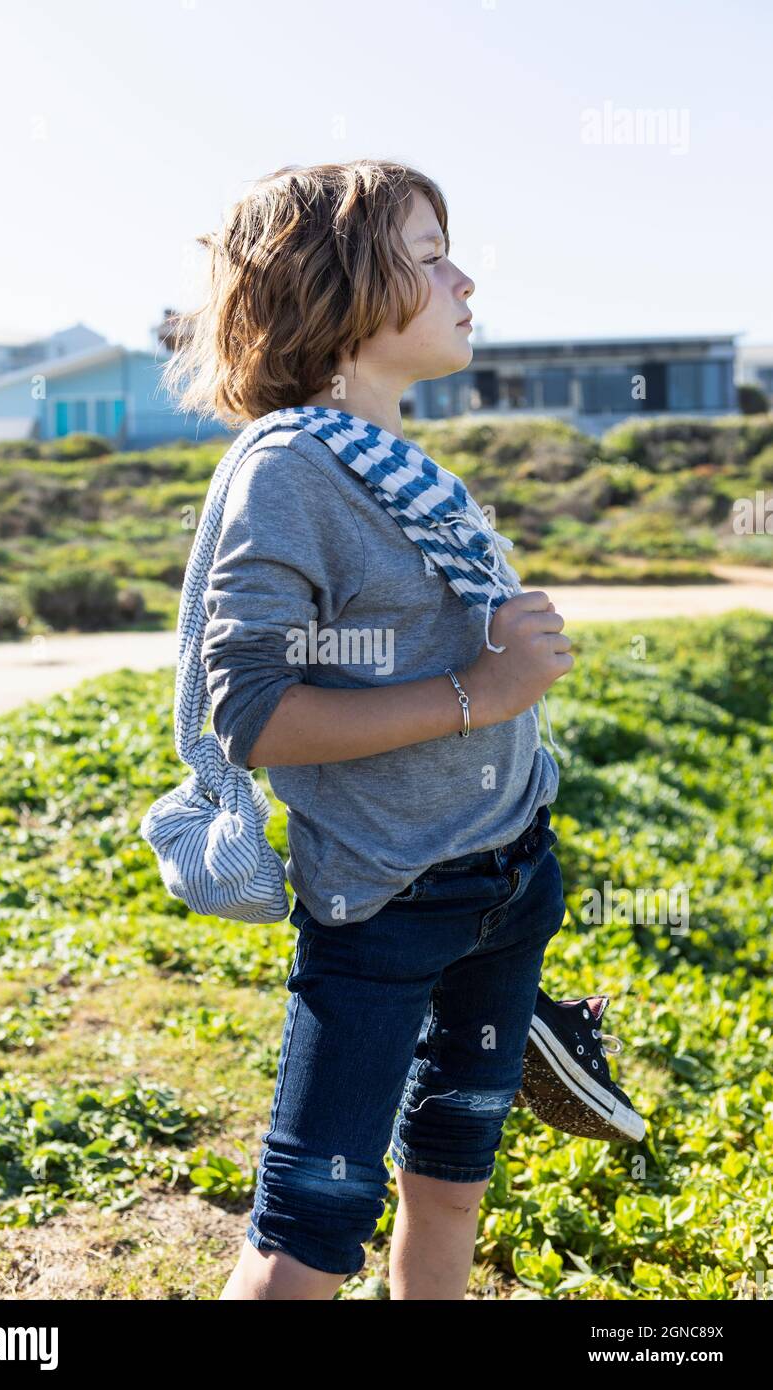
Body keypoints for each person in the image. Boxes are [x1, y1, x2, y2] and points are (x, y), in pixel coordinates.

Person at [163, 159, 574, 1299]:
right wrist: (477, 696)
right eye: (429, 253)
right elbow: (249, 713)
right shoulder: (290, 472)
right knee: (309, 1228)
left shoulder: (399, 467)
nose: (465, 277)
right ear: (336, 287)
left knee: (450, 1179)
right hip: (386, 904)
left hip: (506, 877)